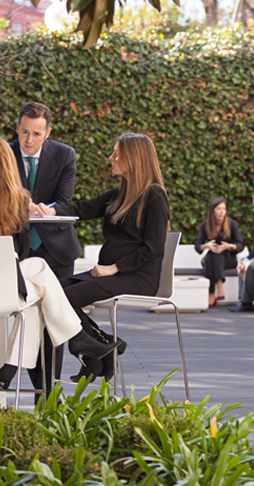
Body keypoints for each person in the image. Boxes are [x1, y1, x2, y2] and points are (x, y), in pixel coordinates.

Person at [0, 134, 122, 391]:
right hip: (3, 293)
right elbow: (23, 251)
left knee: (37, 290)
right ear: (7, 165)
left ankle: (17, 364)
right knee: (39, 271)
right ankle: (78, 340)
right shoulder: (16, 200)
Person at [36, 132, 171, 382]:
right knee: (50, 290)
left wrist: (114, 268)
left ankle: (96, 350)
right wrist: (51, 209)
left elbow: (153, 249)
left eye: (117, 152)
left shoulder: (154, 195)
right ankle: (100, 348)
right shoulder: (121, 192)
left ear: (134, 158)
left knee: (61, 295)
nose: (111, 157)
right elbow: (83, 208)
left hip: (138, 276)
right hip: (112, 273)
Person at [10, 102, 81, 398]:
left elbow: (65, 200)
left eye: (36, 134)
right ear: (17, 128)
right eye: (24, 131)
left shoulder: (64, 154)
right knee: (27, 322)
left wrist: (47, 209)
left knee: (54, 322)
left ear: (47, 133)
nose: (29, 140)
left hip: (57, 251)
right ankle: (42, 388)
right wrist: (19, 204)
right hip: (21, 252)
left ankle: (48, 394)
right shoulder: (5, 154)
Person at [195, 198, 244, 307]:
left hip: (229, 260)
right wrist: (207, 246)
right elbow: (197, 247)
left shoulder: (231, 224)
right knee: (212, 256)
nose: (222, 212)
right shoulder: (206, 225)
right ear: (212, 211)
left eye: (224, 209)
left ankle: (211, 293)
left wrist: (228, 246)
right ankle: (219, 289)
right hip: (212, 260)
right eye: (219, 209)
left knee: (211, 258)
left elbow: (241, 245)